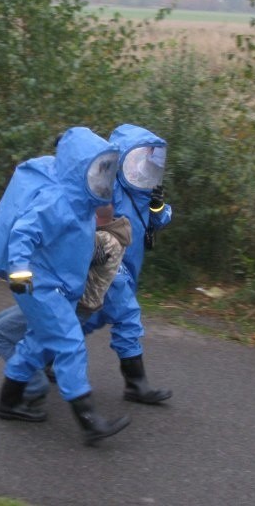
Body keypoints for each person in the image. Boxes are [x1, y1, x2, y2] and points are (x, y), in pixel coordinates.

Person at [0, 126, 130, 446]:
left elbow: (71, 241)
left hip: (58, 285)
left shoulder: (82, 202)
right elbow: (23, 234)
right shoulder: (57, 200)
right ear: (79, 167)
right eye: (97, 169)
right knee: (69, 342)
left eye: (106, 169)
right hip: (40, 286)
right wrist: (20, 275)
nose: (103, 179)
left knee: (37, 344)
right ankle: (89, 421)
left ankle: (9, 403)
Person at [0, 204, 131, 403]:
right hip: (64, 301)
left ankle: (35, 385)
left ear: (93, 216)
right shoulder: (110, 233)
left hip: (70, 307)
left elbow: (70, 256)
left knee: (2, 332)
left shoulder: (104, 241)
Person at [81, 123, 173, 405]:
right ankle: (136, 384)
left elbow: (158, 221)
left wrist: (158, 205)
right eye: (140, 157)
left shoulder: (144, 190)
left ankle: (42, 358)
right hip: (111, 264)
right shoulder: (107, 187)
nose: (146, 166)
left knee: (89, 317)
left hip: (129, 266)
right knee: (126, 315)